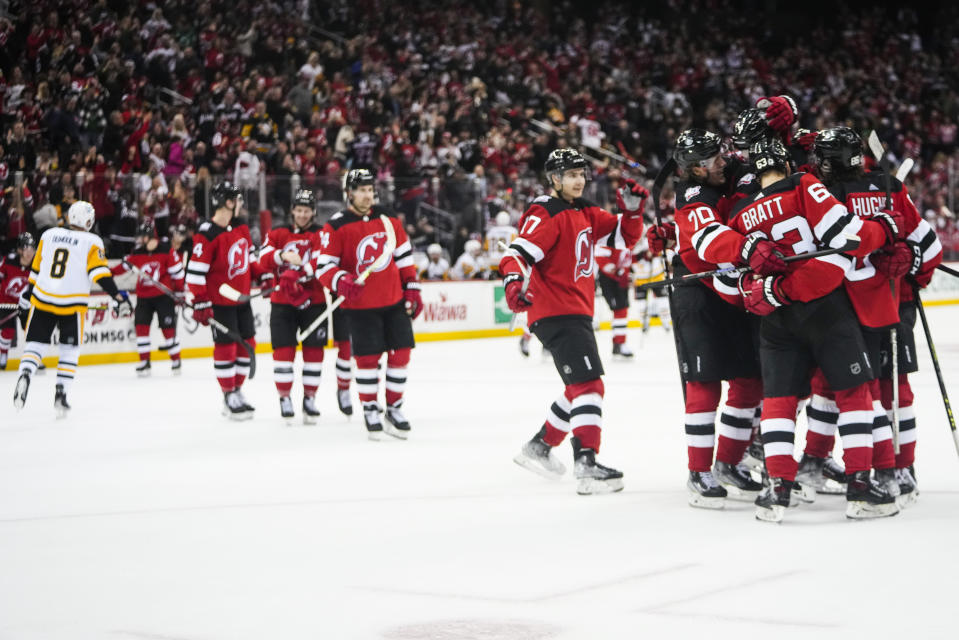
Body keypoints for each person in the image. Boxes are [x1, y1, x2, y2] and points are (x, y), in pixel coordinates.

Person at [728, 136, 904, 521]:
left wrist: (764, 290)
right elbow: (850, 237)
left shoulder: (742, 213)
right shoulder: (804, 186)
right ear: (787, 165)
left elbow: (734, 282)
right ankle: (860, 487)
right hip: (824, 308)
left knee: (779, 400)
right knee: (854, 392)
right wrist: (883, 229)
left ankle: (777, 489)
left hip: (775, 317)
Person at [799, 127, 943, 503]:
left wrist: (909, 264)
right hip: (887, 302)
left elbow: (923, 248)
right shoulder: (888, 188)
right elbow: (928, 248)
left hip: (846, 305)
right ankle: (894, 467)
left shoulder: (822, 192)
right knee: (873, 389)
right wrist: (912, 269)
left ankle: (883, 467)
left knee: (854, 388)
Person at [647, 129, 785, 508]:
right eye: (711, 159)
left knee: (749, 380)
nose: (721, 160)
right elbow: (708, 237)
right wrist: (749, 246)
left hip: (735, 287)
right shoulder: (691, 194)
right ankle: (699, 471)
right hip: (698, 289)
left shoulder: (733, 168)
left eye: (720, 153)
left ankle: (729, 461)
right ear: (692, 169)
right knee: (705, 384)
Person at [503, 148, 645, 495]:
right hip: (555, 311)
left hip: (575, 311)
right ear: (554, 179)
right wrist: (512, 283)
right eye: (571, 175)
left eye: (581, 174)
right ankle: (586, 461)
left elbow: (625, 238)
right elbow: (516, 254)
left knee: (577, 387)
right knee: (591, 387)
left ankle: (540, 446)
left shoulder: (583, 211)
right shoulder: (545, 211)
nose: (579, 180)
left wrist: (631, 210)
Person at [313, 169, 424, 440]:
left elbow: (404, 257)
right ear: (349, 193)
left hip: (393, 300)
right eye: (361, 190)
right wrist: (341, 281)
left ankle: (394, 407)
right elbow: (323, 267)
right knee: (367, 360)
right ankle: (370, 408)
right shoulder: (336, 225)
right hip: (360, 306)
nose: (367, 195)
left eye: (369, 189)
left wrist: (412, 287)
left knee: (401, 354)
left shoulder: (388, 219)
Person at [13, 201, 133, 417]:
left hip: (42, 298)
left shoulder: (49, 235)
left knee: (35, 344)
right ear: (88, 221)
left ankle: (26, 373)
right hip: (71, 305)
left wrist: (30, 294)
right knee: (69, 350)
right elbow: (100, 274)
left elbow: (36, 269)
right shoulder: (92, 241)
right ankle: (61, 393)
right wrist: (117, 295)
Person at [185, 181, 258, 420]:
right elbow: (195, 274)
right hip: (220, 304)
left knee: (248, 346)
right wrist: (201, 300)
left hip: (242, 301)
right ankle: (228, 396)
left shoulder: (241, 228)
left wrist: (264, 275)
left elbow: (250, 260)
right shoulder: (207, 233)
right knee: (226, 349)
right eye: (237, 200)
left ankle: (237, 390)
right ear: (228, 202)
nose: (240, 205)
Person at [258, 188, 330, 423]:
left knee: (313, 354)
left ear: (313, 212)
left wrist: (299, 273)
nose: (302, 214)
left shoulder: (322, 233)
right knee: (283, 353)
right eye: (298, 210)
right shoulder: (278, 232)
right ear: (292, 211)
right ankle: (285, 397)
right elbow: (263, 259)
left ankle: (309, 399)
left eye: (306, 210)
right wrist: (283, 257)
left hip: (315, 303)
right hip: (283, 304)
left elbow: (325, 260)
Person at [110, 219, 185, 377]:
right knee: (141, 329)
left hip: (164, 297)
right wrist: (107, 273)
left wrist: (179, 293)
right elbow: (124, 266)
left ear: (150, 236)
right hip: (144, 298)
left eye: (142, 236)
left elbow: (178, 274)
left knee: (168, 331)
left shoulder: (166, 250)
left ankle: (176, 361)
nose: (139, 240)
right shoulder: (137, 253)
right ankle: (145, 362)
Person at [595, 235, 636, 357]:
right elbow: (601, 259)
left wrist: (628, 273)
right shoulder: (608, 237)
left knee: (622, 310)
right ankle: (619, 343)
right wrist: (618, 273)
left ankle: (619, 343)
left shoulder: (626, 238)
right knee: (619, 309)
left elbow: (629, 258)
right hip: (609, 280)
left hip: (620, 279)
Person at [0, 233, 37, 370]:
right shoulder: (8, 261)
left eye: (32, 249)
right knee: (7, 331)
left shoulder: (36, 267)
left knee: (31, 330)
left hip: (25, 303)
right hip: (6, 302)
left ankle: (33, 358)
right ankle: (3, 355)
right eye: (26, 249)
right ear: (20, 250)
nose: (29, 252)